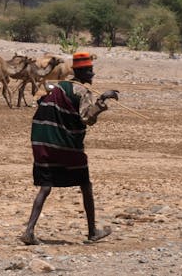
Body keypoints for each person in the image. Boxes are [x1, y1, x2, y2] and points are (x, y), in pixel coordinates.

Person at [20, 52, 119, 245]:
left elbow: (41, 101)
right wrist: (102, 101)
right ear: (82, 72)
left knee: (46, 186)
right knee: (85, 184)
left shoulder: (58, 86)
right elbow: (86, 118)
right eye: (90, 71)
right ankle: (92, 232)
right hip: (65, 145)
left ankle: (29, 231)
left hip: (44, 141)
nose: (92, 74)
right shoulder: (82, 91)